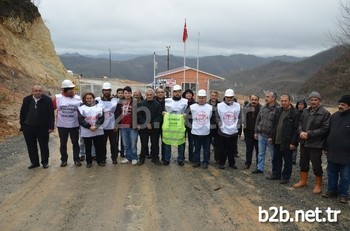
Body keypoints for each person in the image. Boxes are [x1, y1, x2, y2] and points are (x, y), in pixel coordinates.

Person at [293, 91, 331, 194]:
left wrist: (309, 134)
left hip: (316, 143)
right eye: (311, 100)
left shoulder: (325, 113)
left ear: (319, 101)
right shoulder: (305, 111)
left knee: (316, 165)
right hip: (304, 142)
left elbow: (325, 129)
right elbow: (300, 123)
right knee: (303, 163)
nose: (313, 102)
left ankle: (318, 185)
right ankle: (303, 181)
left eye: (315, 100)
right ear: (309, 100)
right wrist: (300, 132)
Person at [322, 95, 350, 203]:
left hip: (346, 154)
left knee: (346, 175)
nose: (340, 106)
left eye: (343, 105)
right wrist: (325, 147)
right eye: (339, 104)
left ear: (349, 106)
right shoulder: (334, 116)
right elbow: (327, 133)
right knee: (331, 173)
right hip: (332, 151)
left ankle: (343, 194)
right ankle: (331, 190)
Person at [266, 94, 299, 184]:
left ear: (290, 101)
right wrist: (271, 137)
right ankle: (276, 174)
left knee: (288, 161)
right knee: (276, 158)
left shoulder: (295, 113)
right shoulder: (279, 110)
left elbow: (296, 129)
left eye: (285, 101)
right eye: (282, 101)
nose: (283, 103)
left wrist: (293, 142)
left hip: (287, 141)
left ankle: (286, 177)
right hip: (277, 139)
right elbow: (274, 125)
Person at [20, 85, 54, 169]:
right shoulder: (27, 99)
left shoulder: (47, 100)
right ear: (32, 91)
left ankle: (45, 162)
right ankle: (34, 162)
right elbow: (22, 113)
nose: (38, 92)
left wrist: (51, 127)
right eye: (36, 90)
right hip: (28, 127)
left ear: (42, 91)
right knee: (31, 146)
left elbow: (51, 114)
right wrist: (23, 125)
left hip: (42, 127)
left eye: (39, 90)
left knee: (44, 145)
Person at [53, 79, 82, 167]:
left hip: (74, 125)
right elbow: (51, 109)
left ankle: (76, 159)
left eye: (72, 89)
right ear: (64, 90)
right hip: (62, 125)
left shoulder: (78, 99)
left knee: (75, 143)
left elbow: (83, 111)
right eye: (69, 89)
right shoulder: (57, 98)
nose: (71, 91)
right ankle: (64, 160)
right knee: (63, 143)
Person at [252, 92, 280, 174]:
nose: (266, 98)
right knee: (261, 153)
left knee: (273, 154)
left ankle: (275, 171)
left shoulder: (278, 109)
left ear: (273, 98)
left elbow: (277, 125)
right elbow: (258, 120)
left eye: (268, 97)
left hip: (270, 136)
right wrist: (256, 131)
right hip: (261, 134)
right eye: (265, 96)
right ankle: (260, 168)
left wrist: (272, 136)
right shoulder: (263, 107)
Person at [162, 84, 188, 166]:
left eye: (179, 92)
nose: (177, 93)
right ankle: (166, 159)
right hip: (170, 125)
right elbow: (163, 110)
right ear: (172, 92)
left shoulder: (185, 101)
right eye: (175, 92)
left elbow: (187, 112)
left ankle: (180, 159)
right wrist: (163, 113)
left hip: (180, 126)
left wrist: (185, 115)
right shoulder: (167, 101)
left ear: (181, 92)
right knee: (167, 142)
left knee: (181, 142)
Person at [216, 89, 241, 169]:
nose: (229, 99)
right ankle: (221, 163)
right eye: (227, 97)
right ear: (225, 97)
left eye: (230, 97)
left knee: (232, 148)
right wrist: (220, 125)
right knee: (222, 148)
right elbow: (217, 117)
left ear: (233, 97)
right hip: (223, 131)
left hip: (233, 131)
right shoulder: (220, 105)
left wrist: (237, 126)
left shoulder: (237, 106)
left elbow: (240, 117)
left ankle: (232, 163)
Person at [78, 92, 104, 168]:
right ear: (84, 99)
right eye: (87, 98)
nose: (89, 99)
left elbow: (101, 118)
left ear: (93, 98)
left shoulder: (99, 106)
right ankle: (89, 162)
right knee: (88, 147)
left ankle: (100, 161)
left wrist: (96, 126)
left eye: (91, 98)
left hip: (97, 130)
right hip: (87, 131)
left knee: (98, 146)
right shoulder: (81, 107)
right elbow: (80, 119)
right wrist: (89, 126)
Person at [137, 88, 162, 165]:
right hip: (144, 127)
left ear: (154, 95)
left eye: (151, 95)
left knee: (155, 144)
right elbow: (139, 115)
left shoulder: (158, 104)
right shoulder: (141, 104)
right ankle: (142, 159)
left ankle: (155, 158)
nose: (149, 96)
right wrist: (146, 123)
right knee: (144, 144)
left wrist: (152, 124)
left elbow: (159, 115)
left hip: (155, 127)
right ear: (145, 95)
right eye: (148, 95)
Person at [189, 89, 213, 169]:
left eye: (203, 98)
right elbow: (188, 118)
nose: (201, 99)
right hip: (195, 132)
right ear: (197, 98)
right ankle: (197, 161)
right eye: (200, 97)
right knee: (196, 148)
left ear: (206, 98)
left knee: (206, 149)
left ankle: (205, 162)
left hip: (206, 132)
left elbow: (211, 119)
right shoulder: (192, 107)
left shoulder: (210, 107)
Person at [115, 86, 139, 165]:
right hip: (123, 126)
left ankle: (134, 157)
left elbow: (138, 114)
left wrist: (138, 124)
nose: (127, 94)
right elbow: (117, 113)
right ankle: (127, 157)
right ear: (123, 94)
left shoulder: (135, 102)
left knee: (133, 143)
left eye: (129, 93)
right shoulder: (120, 102)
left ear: (131, 93)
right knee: (126, 144)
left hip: (132, 126)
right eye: (126, 93)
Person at [96, 82, 119, 164]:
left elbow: (118, 113)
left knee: (114, 144)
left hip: (112, 126)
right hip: (102, 126)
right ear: (102, 91)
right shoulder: (97, 100)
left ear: (110, 91)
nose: (106, 92)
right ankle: (103, 159)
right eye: (105, 90)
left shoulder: (115, 101)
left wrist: (117, 124)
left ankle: (114, 158)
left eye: (108, 90)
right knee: (102, 144)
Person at [243, 95, 261, 169]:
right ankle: (247, 163)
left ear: (258, 100)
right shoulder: (246, 108)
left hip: (258, 133)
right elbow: (244, 120)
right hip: (248, 133)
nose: (254, 101)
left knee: (258, 151)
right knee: (249, 150)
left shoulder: (261, 109)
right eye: (252, 99)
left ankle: (258, 165)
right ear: (250, 99)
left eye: (255, 100)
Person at [182, 89, 196, 162]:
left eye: (190, 93)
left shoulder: (195, 104)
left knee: (191, 142)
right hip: (182, 124)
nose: (188, 95)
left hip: (191, 125)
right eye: (187, 93)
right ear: (184, 94)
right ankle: (181, 157)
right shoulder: (181, 102)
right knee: (182, 141)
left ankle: (191, 157)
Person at [207, 90, 221, 163]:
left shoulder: (221, 105)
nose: (214, 97)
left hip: (217, 127)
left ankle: (217, 158)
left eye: (215, 96)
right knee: (207, 145)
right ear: (210, 96)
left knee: (217, 144)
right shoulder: (206, 104)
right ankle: (207, 159)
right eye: (212, 95)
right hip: (208, 127)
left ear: (217, 96)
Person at [292, 99, 307, 165]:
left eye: (302, 105)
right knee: (294, 145)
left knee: (303, 148)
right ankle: (293, 159)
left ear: (304, 105)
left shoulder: (306, 112)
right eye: (299, 105)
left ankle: (302, 160)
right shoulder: (295, 112)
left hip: (302, 131)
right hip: (295, 130)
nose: (300, 106)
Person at [155, 87, 166, 161]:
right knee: (155, 141)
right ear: (156, 93)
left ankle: (164, 157)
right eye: (159, 92)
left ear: (164, 93)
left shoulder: (168, 101)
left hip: (165, 124)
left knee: (165, 142)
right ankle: (155, 157)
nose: (160, 93)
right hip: (156, 123)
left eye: (162, 92)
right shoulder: (153, 101)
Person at [115, 88, 125, 158]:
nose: (120, 94)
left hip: (124, 122)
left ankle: (122, 152)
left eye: (122, 93)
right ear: (117, 94)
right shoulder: (114, 101)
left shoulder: (126, 101)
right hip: (116, 122)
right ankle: (116, 151)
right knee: (116, 138)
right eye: (119, 93)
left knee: (123, 138)